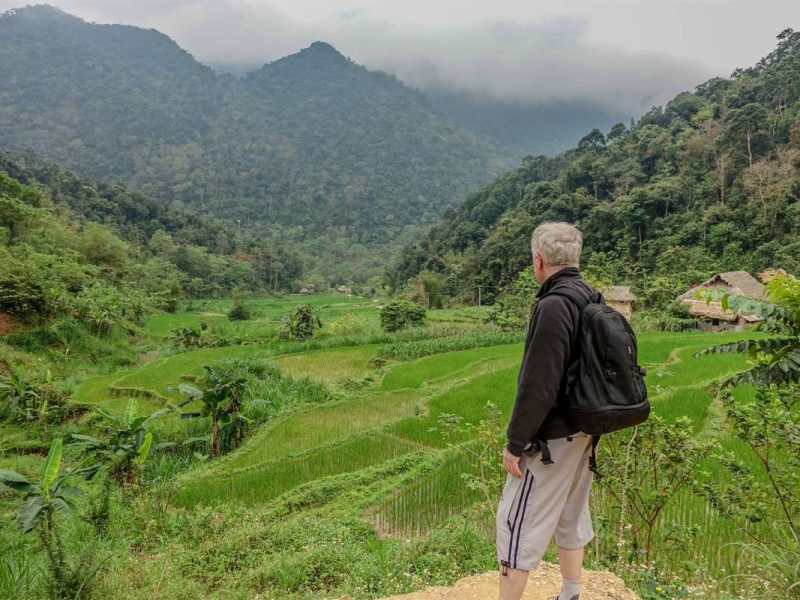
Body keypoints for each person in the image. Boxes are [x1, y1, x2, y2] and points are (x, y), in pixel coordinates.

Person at [496, 222, 597, 600]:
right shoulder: (591, 295)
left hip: (553, 438)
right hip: (584, 428)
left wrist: (516, 442)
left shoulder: (554, 305)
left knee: (516, 521)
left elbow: (539, 384)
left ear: (538, 260)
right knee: (571, 511)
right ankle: (570, 593)